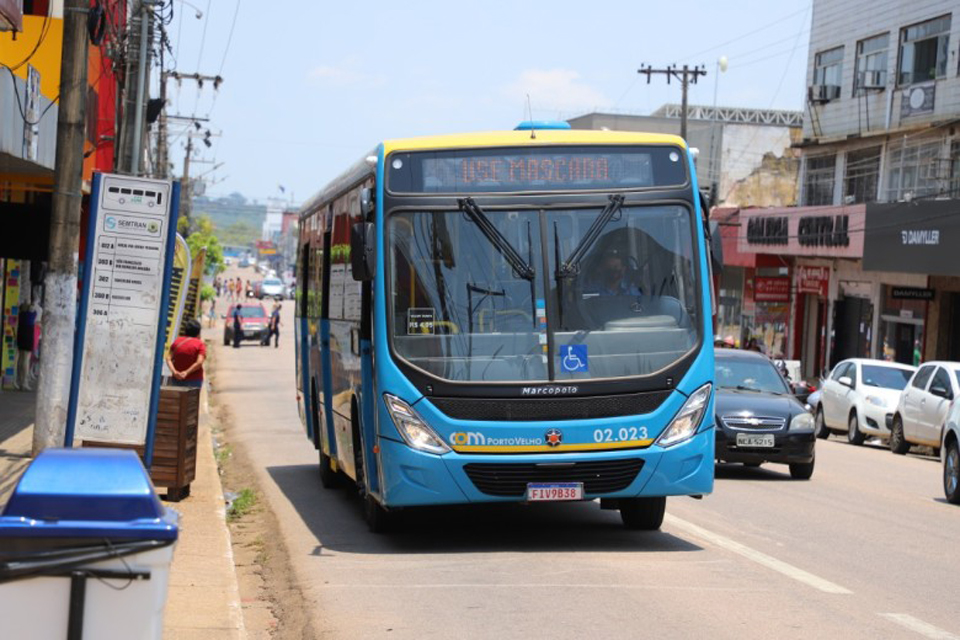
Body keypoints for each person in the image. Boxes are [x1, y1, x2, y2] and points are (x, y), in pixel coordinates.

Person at [165, 319, 206, 388]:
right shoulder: (200, 344)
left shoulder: (177, 341)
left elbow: (168, 359)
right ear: (198, 332)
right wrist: (186, 372)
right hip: (194, 381)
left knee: (176, 398)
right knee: (192, 399)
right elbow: (199, 363)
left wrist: (175, 372)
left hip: (176, 380)